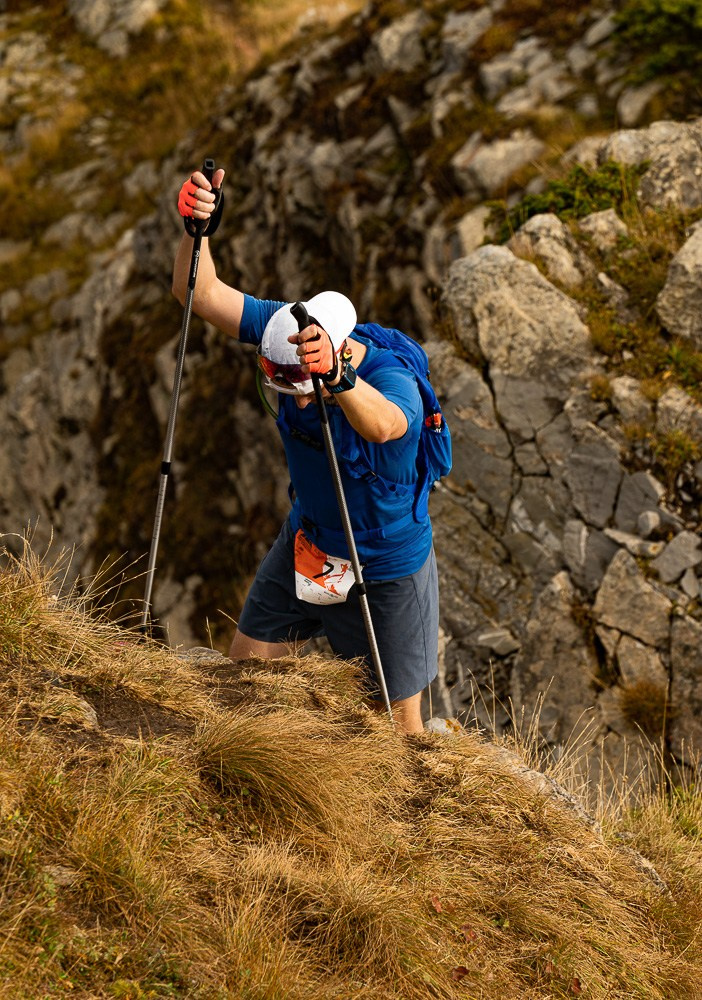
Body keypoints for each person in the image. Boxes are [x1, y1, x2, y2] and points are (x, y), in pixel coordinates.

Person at [172, 166, 440, 734]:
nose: (293, 401)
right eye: (280, 386)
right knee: (243, 675)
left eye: (300, 388)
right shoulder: (286, 330)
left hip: (386, 564)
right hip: (311, 540)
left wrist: (338, 380)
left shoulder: (392, 379)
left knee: (399, 729)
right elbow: (200, 293)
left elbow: (387, 426)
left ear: (336, 352)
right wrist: (198, 229)